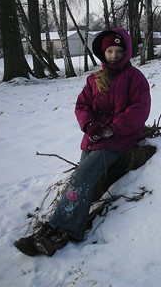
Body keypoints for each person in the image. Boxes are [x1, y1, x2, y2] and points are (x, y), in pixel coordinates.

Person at [14, 28, 151, 257]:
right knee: (84, 179)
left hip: (119, 139)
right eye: (110, 51)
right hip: (94, 139)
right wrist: (89, 125)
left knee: (81, 177)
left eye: (119, 51)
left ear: (126, 52)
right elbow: (82, 106)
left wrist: (113, 128)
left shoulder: (135, 78)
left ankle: (60, 231)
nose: (114, 55)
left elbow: (140, 109)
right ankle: (57, 227)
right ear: (103, 52)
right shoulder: (95, 78)